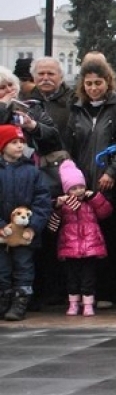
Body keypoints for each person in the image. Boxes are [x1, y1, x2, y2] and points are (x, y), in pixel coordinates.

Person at [66, 59, 116, 307]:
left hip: (107, 182)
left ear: (107, 82)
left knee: (107, 236)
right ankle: (86, 293)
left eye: (98, 83)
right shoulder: (77, 110)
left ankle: (108, 291)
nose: (93, 88)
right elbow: (70, 147)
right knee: (84, 240)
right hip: (83, 183)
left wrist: (112, 171)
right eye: (88, 83)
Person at [0, 125, 52, 321]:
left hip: (25, 233)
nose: (19, 146)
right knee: (2, 268)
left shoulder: (32, 171)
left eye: (22, 142)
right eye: (14, 142)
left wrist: (33, 227)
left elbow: (43, 201)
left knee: (24, 266)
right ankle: (3, 300)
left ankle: (20, 302)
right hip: (2, 233)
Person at [50, 160, 112, 317]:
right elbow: (52, 224)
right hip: (70, 247)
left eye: (81, 187)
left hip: (90, 246)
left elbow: (105, 212)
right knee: (72, 278)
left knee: (88, 278)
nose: (78, 191)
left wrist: (96, 198)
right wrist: (56, 205)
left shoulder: (90, 202)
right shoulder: (64, 206)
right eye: (74, 188)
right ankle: (73, 303)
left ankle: (88, 303)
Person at [29, 57, 73, 146]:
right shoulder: (26, 102)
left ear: (61, 77)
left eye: (51, 74)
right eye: (41, 74)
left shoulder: (74, 100)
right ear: (34, 78)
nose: (45, 78)